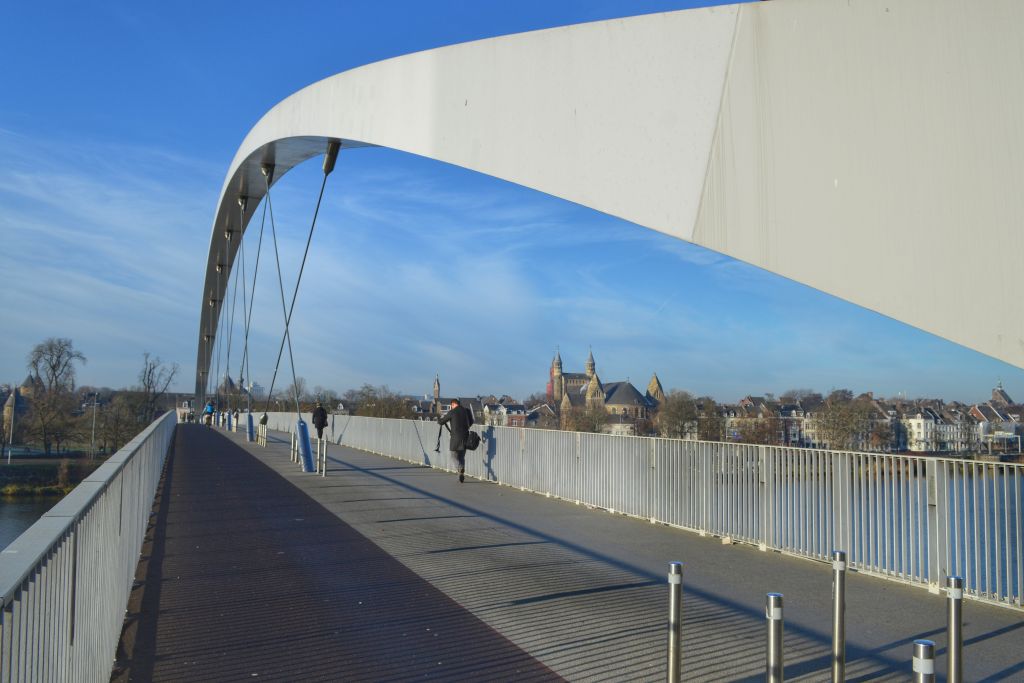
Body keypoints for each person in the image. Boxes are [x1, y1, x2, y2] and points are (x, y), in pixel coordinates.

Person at [438, 398, 473, 483]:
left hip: (455, 438)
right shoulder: (466, 411)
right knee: (461, 457)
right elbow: (471, 422)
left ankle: (460, 469)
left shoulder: (452, 412)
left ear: (453, 404)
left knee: (453, 456)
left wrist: (439, 419)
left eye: (451, 406)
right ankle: (461, 475)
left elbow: (442, 422)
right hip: (465, 437)